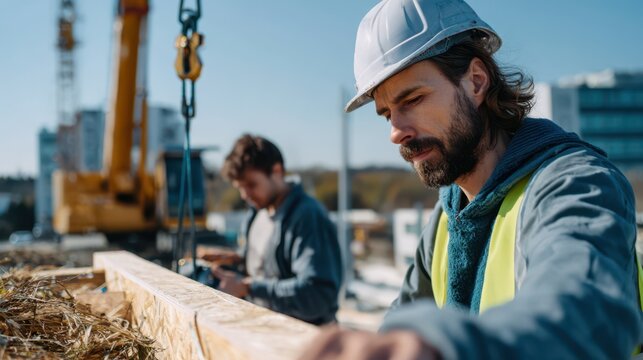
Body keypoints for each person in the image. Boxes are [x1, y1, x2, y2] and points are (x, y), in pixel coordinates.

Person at [300, 0, 642, 358]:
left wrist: (446, 346)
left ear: (476, 82)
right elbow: (400, 326)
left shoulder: (577, 185)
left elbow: (581, 311)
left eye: (412, 99)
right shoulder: (446, 219)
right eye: (387, 114)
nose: (395, 133)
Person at [203, 134, 343, 325]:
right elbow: (266, 265)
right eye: (240, 188)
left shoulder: (307, 216)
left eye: (251, 185)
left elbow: (317, 295)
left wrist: (248, 288)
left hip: (307, 343)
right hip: (269, 333)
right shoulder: (257, 212)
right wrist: (235, 259)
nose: (245, 195)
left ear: (276, 171)